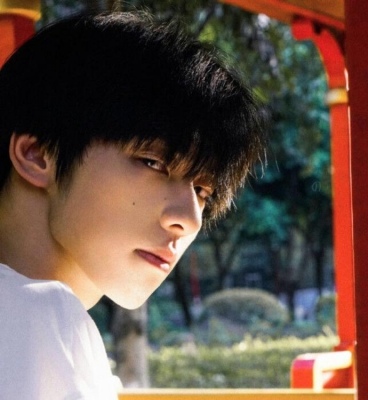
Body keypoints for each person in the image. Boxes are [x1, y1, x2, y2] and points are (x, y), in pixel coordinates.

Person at [0, 11, 265, 399]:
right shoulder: (33, 313)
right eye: (153, 163)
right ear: (37, 155)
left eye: (202, 191)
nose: (190, 219)